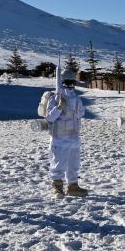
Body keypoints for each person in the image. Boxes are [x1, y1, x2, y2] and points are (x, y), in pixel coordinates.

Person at [39, 69, 87, 197]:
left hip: (74, 136)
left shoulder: (76, 98)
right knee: (58, 163)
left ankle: (73, 186)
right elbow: (49, 117)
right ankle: (57, 187)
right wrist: (59, 107)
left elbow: (81, 113)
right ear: (63, 82)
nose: (71, 85)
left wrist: (76, 109)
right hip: (59, 137)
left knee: (74, 163)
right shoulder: (55, 98)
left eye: (73, 82)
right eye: (69, 82)